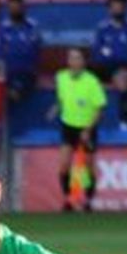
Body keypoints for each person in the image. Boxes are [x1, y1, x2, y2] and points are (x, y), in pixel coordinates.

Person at [52, 47, 105, 212]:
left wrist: (88, 130)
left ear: (83, 62)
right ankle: (69, 199)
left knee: (88, 166)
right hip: (68, 126)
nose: (74, 61)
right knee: (64, 165)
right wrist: (55, 109)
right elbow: (62, 99)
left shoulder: (92, 81)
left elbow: (99, 109)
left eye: (77, 58)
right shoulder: (61, 78)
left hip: (86, 127)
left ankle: (88, 201)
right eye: (71, 58)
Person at [92, 0, 127, 130]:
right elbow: (97, 52)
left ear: (125, 8)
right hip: (104, 66)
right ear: (109, 9)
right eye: (114, 7)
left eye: (120, 7)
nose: (117, 10)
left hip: (124, 66)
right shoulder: (102, 28)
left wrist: (111, 54)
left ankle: (124, 120)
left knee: (123, 80)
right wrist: (110, 55)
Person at [0, 0, 44, 107]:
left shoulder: (32, 26)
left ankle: (16, 90)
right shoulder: (3, 27)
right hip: (8, 74)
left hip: (27, 73)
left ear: (23, 8)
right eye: (12, 7)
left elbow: (35, 50)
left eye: (17, 7)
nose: (15, 10)